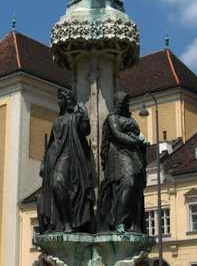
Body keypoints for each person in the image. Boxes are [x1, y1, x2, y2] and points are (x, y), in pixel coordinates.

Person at [37, 89, 96, 234]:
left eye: (61, 98)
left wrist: (85, 116)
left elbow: (85, 130)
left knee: (60, 184)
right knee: (56, 185)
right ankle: (65, 222)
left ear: (67, 100)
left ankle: (70, 223)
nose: (58, 101)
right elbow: (52, 142)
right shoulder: (57, 121)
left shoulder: (75, 117)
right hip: (55, 157)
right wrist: (44, 161)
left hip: (72, 157)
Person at [97, 92, 147, 233]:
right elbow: (117, 134)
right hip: (119, 153)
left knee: (136, 186)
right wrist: (134, 140)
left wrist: (140, 140)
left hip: (135, 153)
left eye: (127, 102)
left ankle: (131, 223)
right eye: (125, 102)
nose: (127, 104)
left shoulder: (129, 119)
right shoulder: (113, 118)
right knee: (128, 182)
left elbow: (136, 134)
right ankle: (118, 221)